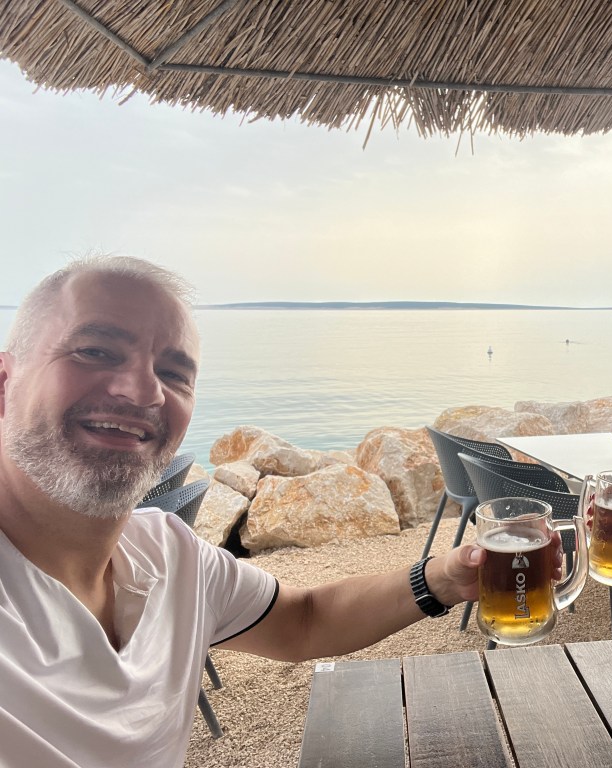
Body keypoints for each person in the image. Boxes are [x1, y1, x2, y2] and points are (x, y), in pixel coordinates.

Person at [0, 256, 488, 768]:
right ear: (6, 383)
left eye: (173, 373)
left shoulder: (168, 552)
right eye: (95, 351)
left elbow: (304, 619)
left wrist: (446, 578)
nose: (143, 391)